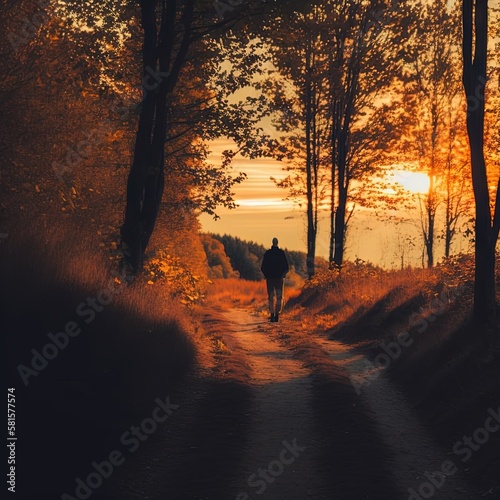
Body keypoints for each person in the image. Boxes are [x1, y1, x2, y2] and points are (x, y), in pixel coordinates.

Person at [261, 237, 289, 322]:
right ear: (277, 243)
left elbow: (263, 267)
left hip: (270, 279)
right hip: (279, 278)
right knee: (279, 296)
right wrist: (283, 275)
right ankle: (277, 314)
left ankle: (272, 314)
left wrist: (266, 275)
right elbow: (286, 267)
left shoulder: (268, 253)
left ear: (272, 242)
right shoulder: (281, 253)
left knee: (270, 297)